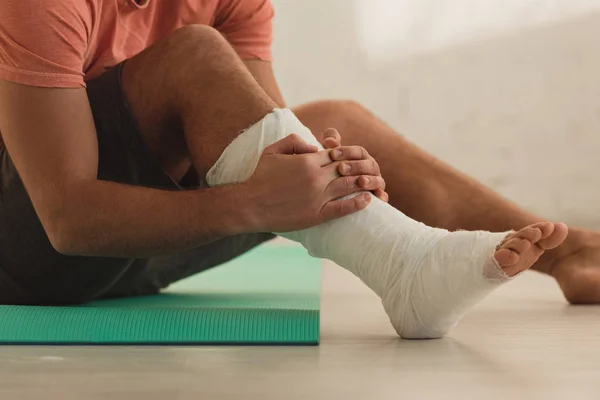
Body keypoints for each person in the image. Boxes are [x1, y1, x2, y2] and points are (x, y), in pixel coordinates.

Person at [0, 0, 594, 336]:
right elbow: (68, 221)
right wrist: (257, 202)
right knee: (195, 52)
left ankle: (573, 256)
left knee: (339, 119)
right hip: (35, 264)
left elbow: (271, 143)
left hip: (146, 247)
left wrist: (334, 177)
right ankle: (407, 266)